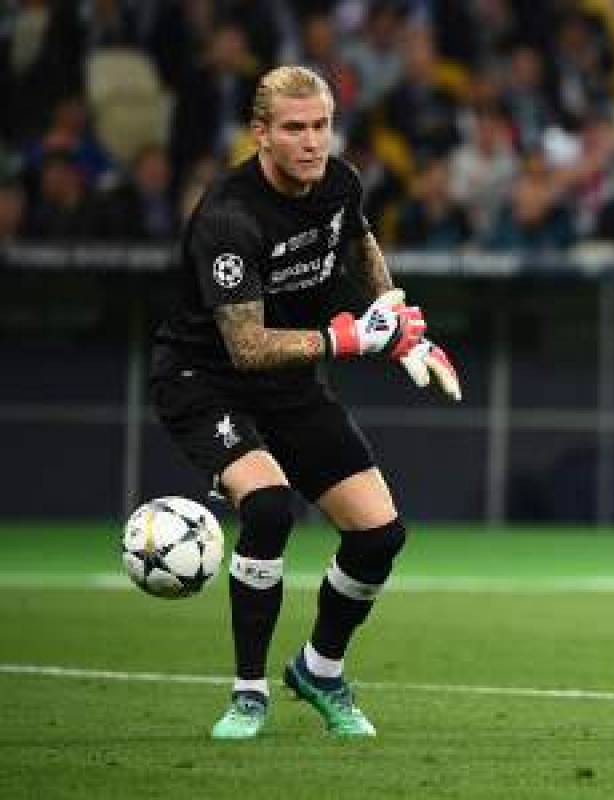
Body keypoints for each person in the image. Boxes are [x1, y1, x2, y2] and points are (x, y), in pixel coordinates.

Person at [150, 66, 460, 741]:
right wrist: (349, 337)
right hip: (205, 379)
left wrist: (399, 324)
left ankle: (319, 670)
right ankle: (248, 693)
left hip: (289, 384)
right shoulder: (229, 218)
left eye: (320, 125)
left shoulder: (341, 181)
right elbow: (247, 348)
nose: (312, 142)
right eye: (294, 128)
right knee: (267, 507)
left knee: (381, 535)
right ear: (260, 134)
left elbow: (361, 242)